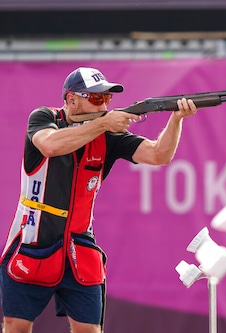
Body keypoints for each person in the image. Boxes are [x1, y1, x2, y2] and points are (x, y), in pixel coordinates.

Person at [0, 67, 198, 333]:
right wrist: (103, 123)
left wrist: (176, 119)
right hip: (33, 240)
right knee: (16, 328)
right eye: (96, 98)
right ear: (71, 99)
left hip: (79, 247)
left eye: (107, 98)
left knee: (89, 330)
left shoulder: (109, 135)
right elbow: (50, 145)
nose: (104, 104)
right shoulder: (45, 117)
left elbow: (158, 155)